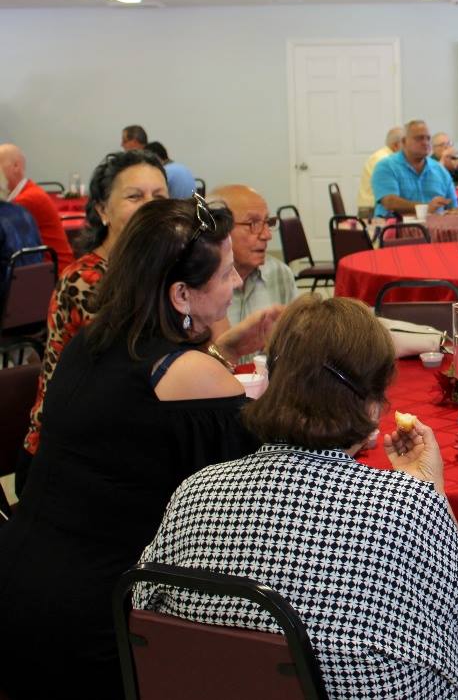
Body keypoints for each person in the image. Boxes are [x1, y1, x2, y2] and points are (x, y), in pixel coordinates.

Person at [133, 295, 458, 698]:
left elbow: (143, 613)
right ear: (373, 407)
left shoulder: (194, 492)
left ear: (272, 383)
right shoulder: (406, 507)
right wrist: (432, 495)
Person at [0, 198, 280, 699]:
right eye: (225, 274)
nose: (237, 283)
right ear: (180, 294)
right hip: (98, 621)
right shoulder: (188, 374)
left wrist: (225, 350)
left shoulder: (94, 343)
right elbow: (254, 485)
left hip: (21, 580)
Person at [18, 150, 170, 492]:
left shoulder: (154, 273)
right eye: (135, 196)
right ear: (102, 209)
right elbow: (135, 368)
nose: (150, 206)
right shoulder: (86, 280)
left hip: (121, 440)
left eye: (159, 196)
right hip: (65, 459)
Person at [209, 185, 299, 339]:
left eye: (267, 222)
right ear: (217, 228)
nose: (267, 235)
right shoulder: (199, 287)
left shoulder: (280, 274)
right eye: (253, 224)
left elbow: (296, 340)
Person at [0, 143, 74, 272]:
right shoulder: (29, 193)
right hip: (45, 272)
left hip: (54, 274)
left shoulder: (24, 202)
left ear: (16, 166)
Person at [370, 119, 458, 217]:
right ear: (404, 141)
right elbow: (390, 202)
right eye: (419, 138)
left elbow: (453, 208)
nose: (425, 142)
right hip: (396, 229)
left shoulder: (440, 170)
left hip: (435, 229)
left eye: (428, 138)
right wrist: (426, 207)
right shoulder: (386, 166)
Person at [358, 126, 404, 211]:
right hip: (372, 211)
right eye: (405, 143)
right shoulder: (384, 160)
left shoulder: (385, 156)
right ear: (396, 145)